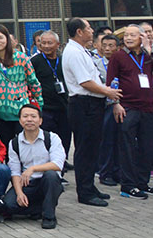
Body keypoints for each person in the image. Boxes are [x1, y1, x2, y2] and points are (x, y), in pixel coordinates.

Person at [63, 17, 120, 207]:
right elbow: (85, 82)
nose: (92, 31)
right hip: (84, 104)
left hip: (92, 103)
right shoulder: (73, 52)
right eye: (88, 28)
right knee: (85, 149)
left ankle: (89, 186)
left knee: (92, 147)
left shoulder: (82, 50)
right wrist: (108, 91)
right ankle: (85, 192)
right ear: (79, 31)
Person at [106, 24, 153, 199]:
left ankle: (142, 182)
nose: (128, 38)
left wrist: (149, 49)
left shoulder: (148, 56)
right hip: (127, 107)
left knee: (147, 146)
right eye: (126, 35)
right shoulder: (118, 56)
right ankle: (128, 185)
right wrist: (115, 103)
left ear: (142, 37)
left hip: (147, 107)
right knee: (127, 147)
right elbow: (111, 81)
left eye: (133, 35)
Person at [4, 104, 66, 229]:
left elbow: (57, 164)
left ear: (40, 120)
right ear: (20, 121)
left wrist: (33, 169)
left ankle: (49, 217)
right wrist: (19, 193)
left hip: (47, 182)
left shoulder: (52, 138)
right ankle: (39, 208)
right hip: (28, 183)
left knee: (51, 175)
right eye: (25, 116)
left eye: (33, 116)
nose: (29, 119)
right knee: (9, 205)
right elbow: (15, 172)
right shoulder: (14, 143)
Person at [0, 23, 42, 144]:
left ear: (7, 39)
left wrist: (39, 106)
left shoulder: (21, 58)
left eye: (1, 37)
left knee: (26, 144)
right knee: (7, 146)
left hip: (22, 111)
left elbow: (33, 82)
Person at [30, 30, 71, 169]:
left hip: (63, 106)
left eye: (50, 43)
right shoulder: (35, 61)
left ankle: (62, 162)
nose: (46, 46)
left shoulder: (64, 60)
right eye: (43, 43)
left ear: (58, 44)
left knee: (65, 136)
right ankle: (49, 166)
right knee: (48, 138)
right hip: (45, 108)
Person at [97, 33, 122, 187]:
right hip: (105, 106)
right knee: (107, 139)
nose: (107, 49)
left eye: (111, 46)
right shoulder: (96, 64)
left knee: (119, 140)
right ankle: (105, 173)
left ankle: (118, 171)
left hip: (121, 105)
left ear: (117, 47)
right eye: (104, 45)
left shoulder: (122, 62)